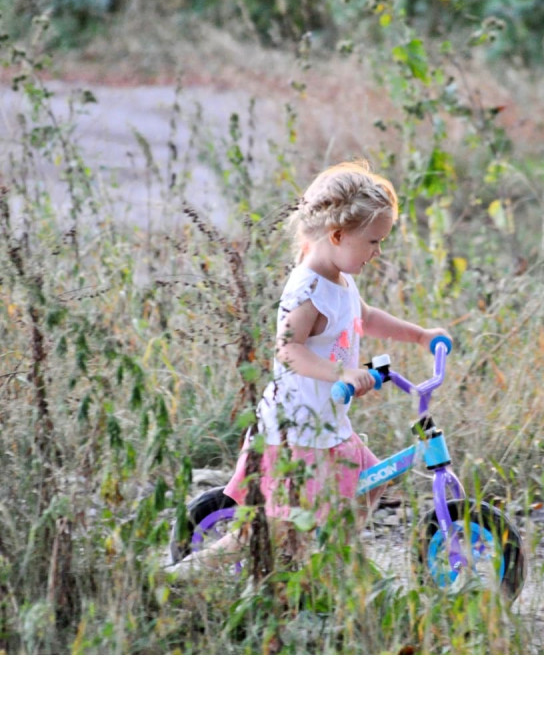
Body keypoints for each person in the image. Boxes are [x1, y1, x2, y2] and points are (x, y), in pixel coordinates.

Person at [168, 160, 449, 574]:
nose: (378, 251)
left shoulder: (340, 279)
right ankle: (180, 578)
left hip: (325, 424)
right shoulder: (308, 288)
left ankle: (326, 565)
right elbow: (287, 348)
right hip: (295, 431)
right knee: (268, 530)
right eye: (373, 241)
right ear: (337, 236)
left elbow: (366, 317)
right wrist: (342, 373)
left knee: (369, 482)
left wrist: (420, 335)